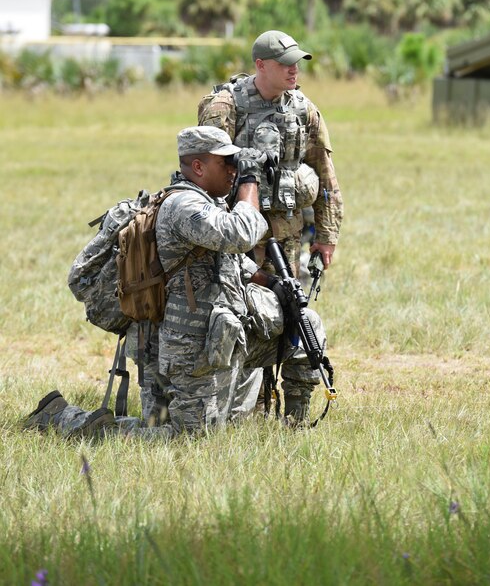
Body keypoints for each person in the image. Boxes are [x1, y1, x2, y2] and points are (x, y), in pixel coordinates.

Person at [24, 126, 325, 437]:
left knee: (304, 324)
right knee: (187, 438)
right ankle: (66, 419)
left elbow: (230, 260)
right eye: (227, 163)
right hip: (186, 346)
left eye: (237, 164)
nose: (234, 170)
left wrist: (273, 285)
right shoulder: (182, 206)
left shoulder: (207, 201)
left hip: (215, 333)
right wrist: (250, 180)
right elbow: (238, 234)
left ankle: (294, 427)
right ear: (198, 167)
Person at [198, 29, 344, 276]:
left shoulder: (303, 110)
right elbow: (203, 177)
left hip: (287, 238)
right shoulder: (225, 107)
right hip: (236, 237)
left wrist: (326, 235)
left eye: (296, 62)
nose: (294, 69)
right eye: (285, 63)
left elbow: (326, 176)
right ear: (260, 65)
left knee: (286, 307)